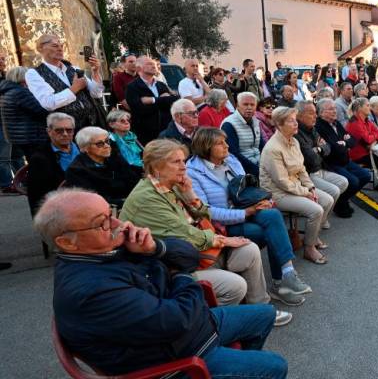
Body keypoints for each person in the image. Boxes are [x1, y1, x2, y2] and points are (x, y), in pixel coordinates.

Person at [38, 189, 288, 378]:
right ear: (67, 243)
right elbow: (178, 319)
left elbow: (191, 256)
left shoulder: (106, 247)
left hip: (187, 329)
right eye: (101, 222)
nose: (118, 224)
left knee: (264, 314)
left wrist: (156, 247)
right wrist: (180, 274)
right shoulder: (91, 289)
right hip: (175, 357)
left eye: (111, 213)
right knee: (276, 366)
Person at [120, 140, 282, 317]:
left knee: (248, 248)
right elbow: (186, 234)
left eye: (183, 160)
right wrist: (224, 240)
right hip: (175, 267)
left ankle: (260, 308)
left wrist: (190, 193)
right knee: (235, 285)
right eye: (176, 162)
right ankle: (208, 324)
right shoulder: (147, 198)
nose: (184, 167)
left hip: (201, 252)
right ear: (156, 167)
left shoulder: (173, 184)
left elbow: (205, 217)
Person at [186, 127, 311, 306]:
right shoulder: (193, 172)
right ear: (206, 147)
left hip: (246, 209)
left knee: (273, 214)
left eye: (225, 141)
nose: (227, 146)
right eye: (220, 143)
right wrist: (246, 212)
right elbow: (207, 212)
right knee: (266, 232)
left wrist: (260, 202)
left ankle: (287, 274)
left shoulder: (231, 160)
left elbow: (246, 188)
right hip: (223, 225)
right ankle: (280, 283)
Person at [260, 107, 334, 264]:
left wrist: (311, 187)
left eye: (295, 120)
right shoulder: (272, 148)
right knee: (316, 209)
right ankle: (309, 248)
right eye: (291, 121)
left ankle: (312, 236)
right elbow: (281, 181)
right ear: (279, 125)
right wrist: (305, 192)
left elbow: (301, 169)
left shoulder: (293, 141)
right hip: (277, 193)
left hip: (294, 186)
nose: (296, 123)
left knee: (327, 200)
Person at [25, 34, 106, 131]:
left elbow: (97, 93)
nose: (60, 49)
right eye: (55, 46)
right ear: (40, 48)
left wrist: (95, 71)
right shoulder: (34, 74)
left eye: (61, 46)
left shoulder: (74, 69)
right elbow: (48, 103)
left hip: (93, 124)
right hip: (67, 131)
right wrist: (74, 89)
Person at [295, 101, 351, 218]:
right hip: (309, 173)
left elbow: (328, 148)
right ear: (299, 115)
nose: (315, 116)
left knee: (344, 182)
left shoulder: (313, 129)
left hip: (322, 167)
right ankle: (322, 215)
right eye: (311, 113)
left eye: (315, 113)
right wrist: (321, 149)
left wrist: (319, 149)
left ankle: (325, 213)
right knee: (334, 191)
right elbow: (311, 158)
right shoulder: (297, 133)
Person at [315, 98, 371, 214]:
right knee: (353, 181)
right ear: (321, 113)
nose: (335, 111)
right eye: (330, 109)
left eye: (335, 108)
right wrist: (344, 143)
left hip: (345, 160)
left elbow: (352, 141)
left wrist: (344, 143)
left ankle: (343, 199)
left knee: (365, 176)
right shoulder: (319, 127)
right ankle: (340, 203)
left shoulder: (336, 123)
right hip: (332, 163)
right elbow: (332, 148)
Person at [64, 127, 140, 206]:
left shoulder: (114, 157)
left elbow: (133, 180)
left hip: (129, 201)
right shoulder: (76, 170)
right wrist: (128, 202)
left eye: (107, 141)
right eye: (99, 144)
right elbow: (92, 200)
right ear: (85, 148)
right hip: (104, 208)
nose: (107, 146)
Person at [27, 113, 78, 214]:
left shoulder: (83, 148)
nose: (65, 134)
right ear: (49, 131)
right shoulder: (40, 159)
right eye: (59, 130)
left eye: (69, 130)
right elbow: (38, 197)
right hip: (61, 208)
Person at [126, 55, 178, 144]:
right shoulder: (132, 87)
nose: (154, 66)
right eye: (149, 64)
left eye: (154, 64)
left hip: (166, 129)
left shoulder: (161, 84)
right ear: (139, 69)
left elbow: (174, 100)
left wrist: (152, 100)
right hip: (145, 132)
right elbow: (139, 109)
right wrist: (162, 100)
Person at [0, 66, 47, 163]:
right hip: (30, 136)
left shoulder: (8, 91)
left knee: (20, 161)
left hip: (18, 136)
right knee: (39, 163)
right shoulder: (20, 92)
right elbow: (40, 110)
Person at [221, 92, 262, 176]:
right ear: (237, 106)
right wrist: (257, 170)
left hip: (260, 164)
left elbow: (261, 145)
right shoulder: (229, 124)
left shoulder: (255, 121)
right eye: (245, 104)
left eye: (252, 105)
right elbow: (233, 154)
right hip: (242, 169)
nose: (249, 108)